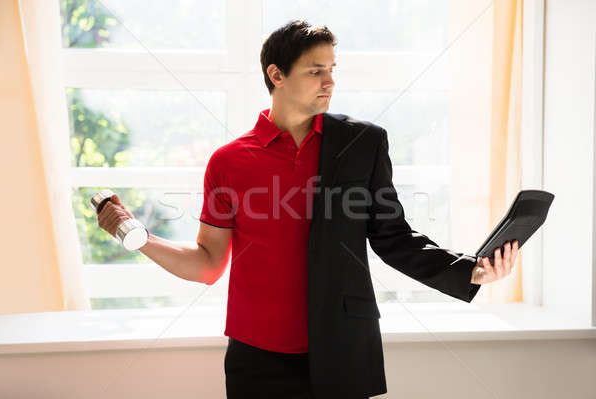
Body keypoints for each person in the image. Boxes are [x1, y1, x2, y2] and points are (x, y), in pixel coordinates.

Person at [98, 19, 519, 399]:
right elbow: (208, 264)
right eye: (315, 70)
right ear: (276, 75)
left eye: (332, 69)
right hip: (256, 358)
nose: (329, 81)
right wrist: (139, 237)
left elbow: (393, 238)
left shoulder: (363, 143)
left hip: (343, 347)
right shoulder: (228, 162)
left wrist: (470, 270)